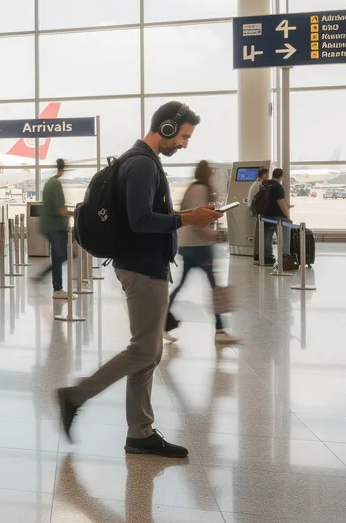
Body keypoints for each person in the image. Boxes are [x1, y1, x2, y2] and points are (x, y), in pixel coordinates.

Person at [56, 101, 222, 459]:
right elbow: (140, 220)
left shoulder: (142, 161)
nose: (185, 144)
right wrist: (189, 218)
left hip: (147, 266)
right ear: (165, 128)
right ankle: (76, 395)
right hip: (142, 267)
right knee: (144, 350)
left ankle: (140, 432)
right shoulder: (142, 165)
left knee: (149, 352)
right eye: (183, 136)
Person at [165, 160, 241, 346]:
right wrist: (215, 234)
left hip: (189, 244)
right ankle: (220, 330)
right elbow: (198, 221)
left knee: (184, 285)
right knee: (215, 287)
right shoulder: (201, 189)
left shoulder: (193, 188)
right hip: (198, 246)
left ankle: (162, 321)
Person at [36, 158, 71, 299]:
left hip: (48, 226)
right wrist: (75, 213)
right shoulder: (56, 184)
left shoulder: (50, 182)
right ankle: (57, 289)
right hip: (55, 227)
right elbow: (60, 210)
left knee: (59, 256)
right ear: (63, 169)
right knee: (60, 256)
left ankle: (47, 280)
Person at [255, 168, 291, 264]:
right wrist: (287, 217)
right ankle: (285, 258)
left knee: (266, 237)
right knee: (284, 237)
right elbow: (280, 202)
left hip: (264, 215)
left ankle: (267, 257)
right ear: (281, 176)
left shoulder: (265, 184)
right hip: (277, 216)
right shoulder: (278, 186)